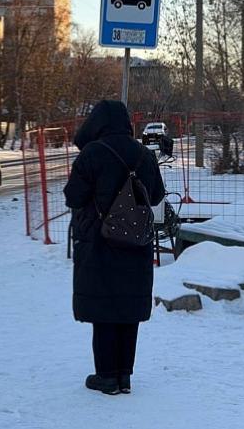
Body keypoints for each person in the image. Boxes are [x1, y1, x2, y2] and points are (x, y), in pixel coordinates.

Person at [63, 100, 165, 395]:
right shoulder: (144, 155)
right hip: (136, 240)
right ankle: (124, 376)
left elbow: (74, 197)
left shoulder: (92, 154)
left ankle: (106, 376)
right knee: (128, 307)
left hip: (98, 243)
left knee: (103, 306)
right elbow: (156, 195)